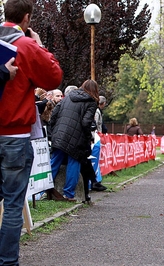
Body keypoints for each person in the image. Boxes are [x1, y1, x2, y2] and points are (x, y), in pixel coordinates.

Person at [0, 0, 63, 264]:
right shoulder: (25, 45)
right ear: (26, 18)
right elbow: (53, 78)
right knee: (13, 204)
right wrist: (37, 44)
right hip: (15, 135)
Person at [49, 80, 99, 202]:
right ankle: (69, 193)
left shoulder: (68, 97)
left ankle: (45, 189)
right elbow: (86, 122)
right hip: (77, 138)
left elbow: (54, 114)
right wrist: (88, 137)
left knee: (54, 161)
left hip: (60, 134)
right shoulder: (91, 102)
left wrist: (54, 130)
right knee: (74, 163)